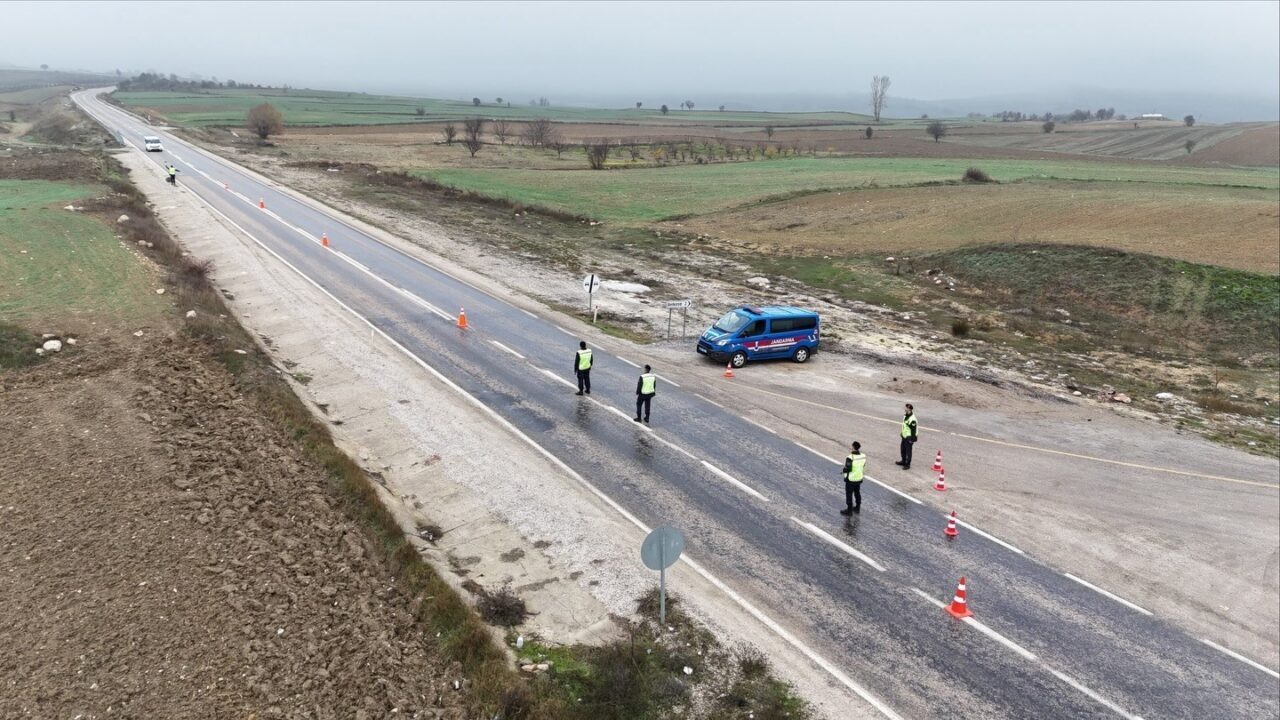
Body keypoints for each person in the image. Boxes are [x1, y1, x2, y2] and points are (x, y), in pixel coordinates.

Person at [840, 441, 866, 515]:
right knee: (857, 493)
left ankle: (849, 510)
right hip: (859, 478)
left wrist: (843, 470)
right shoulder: (863, 456)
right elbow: (863, 465)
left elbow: (848, 468)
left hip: (851, 479)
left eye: (852, 447)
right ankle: (857, 507)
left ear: (853, 447)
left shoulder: (850, 457)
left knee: (849, 494)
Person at [895, 403, 918, 469]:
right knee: (903, 449)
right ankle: (903, 461)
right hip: (904, 436)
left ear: (909, 409)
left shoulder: (912, 419)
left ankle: (907, 464)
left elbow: (914, 430)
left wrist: (912, 439)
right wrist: (902, 433)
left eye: (906, 408)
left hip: (909, 438)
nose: (904, 408)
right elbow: (905, 426)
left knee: (908, 451)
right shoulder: (906, 415)